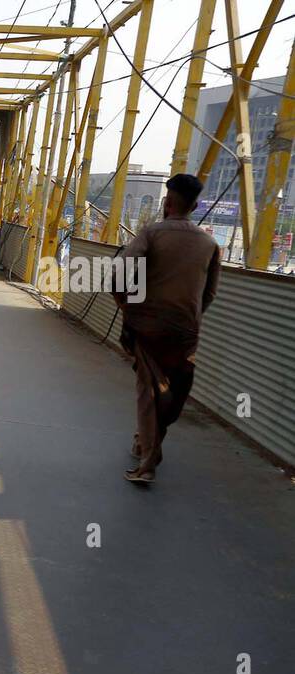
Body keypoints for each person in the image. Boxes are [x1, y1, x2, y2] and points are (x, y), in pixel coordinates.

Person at [114, 173, 221, 485]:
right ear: (196, 205)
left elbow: (122, 269)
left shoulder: (152, 233)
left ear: (167, 202)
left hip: (148, 327)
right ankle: (143, 442)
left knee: (148, 391)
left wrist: (124, 303)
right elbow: (210, 294)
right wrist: (190, 318)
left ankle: (148, 462)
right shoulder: (210, 243)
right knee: (172, 391)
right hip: (186, 332)